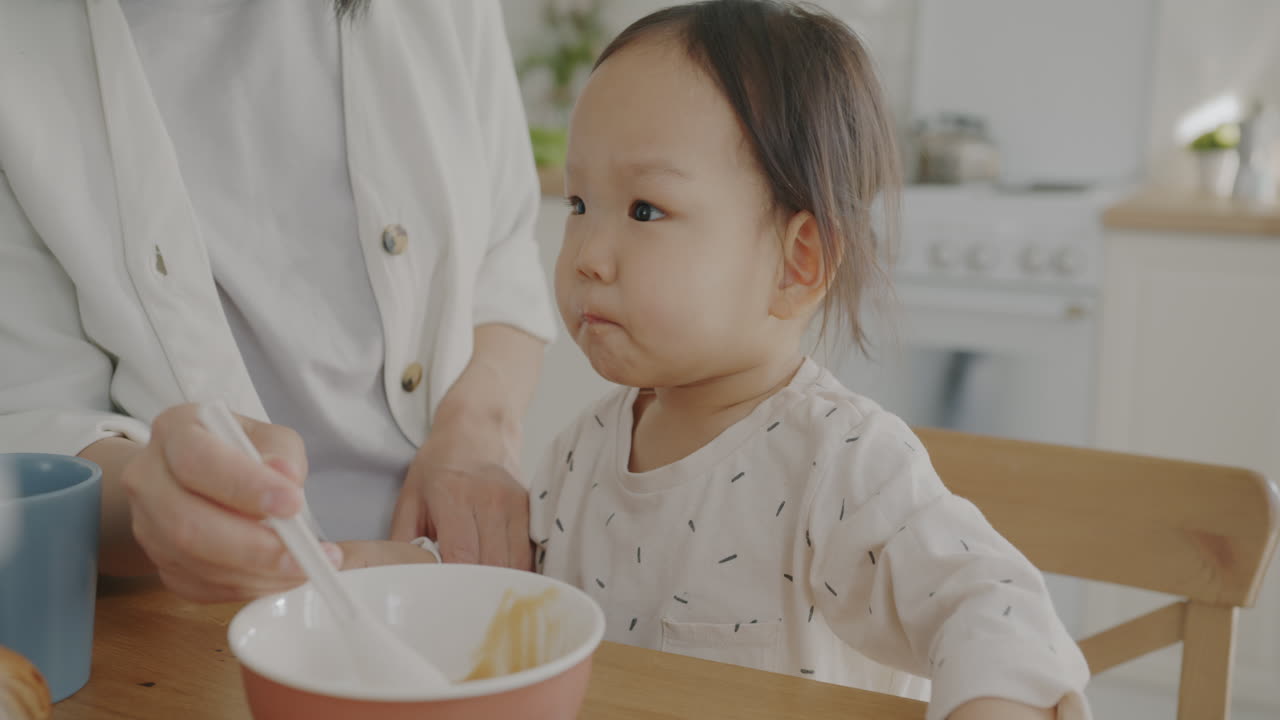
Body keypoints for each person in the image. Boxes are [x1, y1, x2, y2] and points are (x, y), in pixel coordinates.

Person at [529, 2, 1092, 719]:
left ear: (798, 262)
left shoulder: (842, 464)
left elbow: (991, 604)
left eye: (645, 210)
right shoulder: (579, 454)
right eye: (579, 203)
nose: (587, 255)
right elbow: (494, 594)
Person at [0, 0, 556, 601]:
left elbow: (503, 255)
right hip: (188, 621)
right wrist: (156, 503)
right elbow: (33, 426)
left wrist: (476, 432)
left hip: (449, 586)